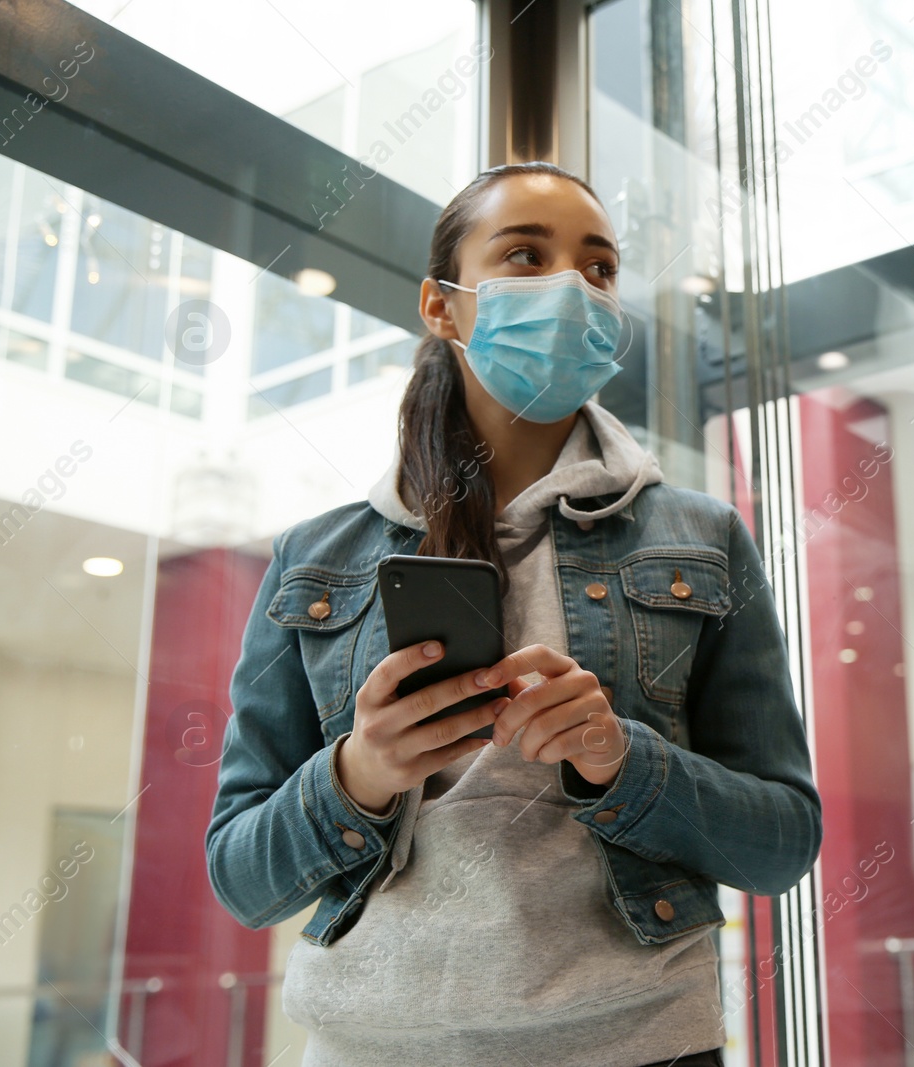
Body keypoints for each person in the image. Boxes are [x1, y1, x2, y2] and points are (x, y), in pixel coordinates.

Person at [205, 161, 822, 1066]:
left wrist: (621, 763)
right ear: (439, 305)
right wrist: (359, 771)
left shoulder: (705, 537)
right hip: (372, 1045)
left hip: (641, 1044)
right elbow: (240, 875)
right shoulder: (316, 557)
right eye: (525, 256)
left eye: (599, 267)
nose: (572, 287)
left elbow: (780, 842)